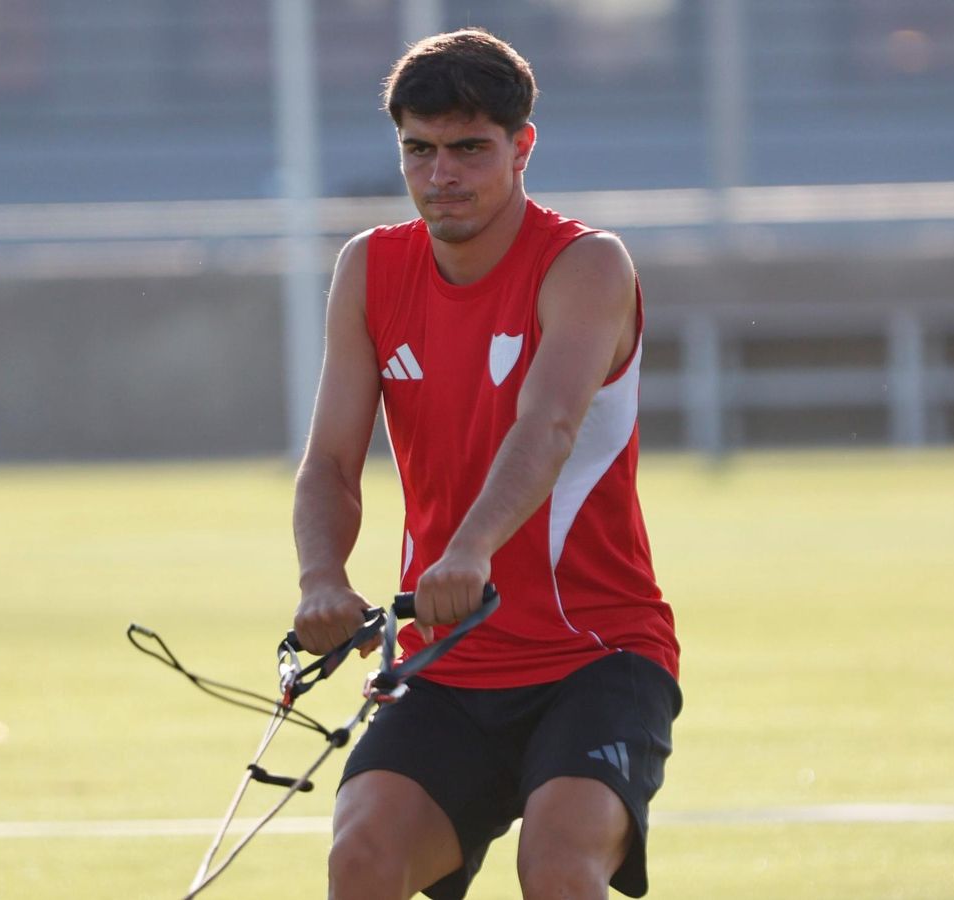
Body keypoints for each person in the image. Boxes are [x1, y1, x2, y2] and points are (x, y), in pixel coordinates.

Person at [290, 28, 681, 900]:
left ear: (521, 146)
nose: (442, 176)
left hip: (598, 654)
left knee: (556, 868)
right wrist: (322, 577)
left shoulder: (585, 265)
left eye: (469, 149)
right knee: (362, 860)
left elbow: (546, 427)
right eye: (419, 151)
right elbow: (329, 463)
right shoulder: (368, 267)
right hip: (446, 661)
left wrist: (466, 552)